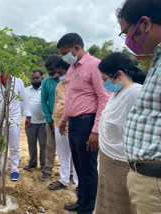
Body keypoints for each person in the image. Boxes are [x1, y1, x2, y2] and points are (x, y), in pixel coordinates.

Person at [57, 33, 110, 214]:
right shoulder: (71, 69)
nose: (65, 57)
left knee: (88, 168)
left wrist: (95, 131)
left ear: (76, 48)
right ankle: (81, 200)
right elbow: (72, 97)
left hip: (87, 123)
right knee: (79, 166)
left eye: (66, 52)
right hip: (74, 124)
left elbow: (104, 98)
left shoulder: (95, 65)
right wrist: (64, 119)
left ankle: (88, 208)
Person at [117, 1, 161, 213]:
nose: (127, 41)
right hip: (147, 178)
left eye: (126, 32)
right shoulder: (157, 61)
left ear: (145, 24)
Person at [95, 52, 145, 214]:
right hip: (109, 159)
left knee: (120, 205)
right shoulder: (118, 93)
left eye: (104, 79)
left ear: (119, 74)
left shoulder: (135, 93)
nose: (104, 84)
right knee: (107, 203)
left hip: (122, 163)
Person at [0, 72, 31, 181]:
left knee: (14, 146)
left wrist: (28, 114)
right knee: (0, 145)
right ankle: (1, 168)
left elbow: (24, 99)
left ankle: (14, 170)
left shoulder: (18, 82)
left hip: (14, 118)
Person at [49, 57, 78, 191]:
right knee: (62, 153)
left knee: (76, 154)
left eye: (61, 73)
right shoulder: (59, 86)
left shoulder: (76, 84)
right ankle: (64, 179)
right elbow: (56, 102)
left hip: (72, 124)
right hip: (58, 123)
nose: (59, 76)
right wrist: (54, 118)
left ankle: (78, 182)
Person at [40, 55, 60, 182]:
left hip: (68, 120)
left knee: (69, 147)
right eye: (49, 71)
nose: (51, 73)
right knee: (50, 145)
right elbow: (43, 101)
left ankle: (69, 172)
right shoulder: (46, 81)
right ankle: (48, 169)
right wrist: (49, 119)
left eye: (53, 69)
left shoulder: (68, 79)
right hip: (52, 120)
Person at [23, 70, 47, 171]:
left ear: (42, 78)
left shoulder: (45, 89)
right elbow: (23, 105)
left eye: (37, 78)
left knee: (43, 144)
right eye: (33, 78)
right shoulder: (26, 90)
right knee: (31, 143)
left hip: (44, 122)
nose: (35, 80)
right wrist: (26, 117)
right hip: (30, 122)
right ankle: (32, 163)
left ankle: (43, 164)